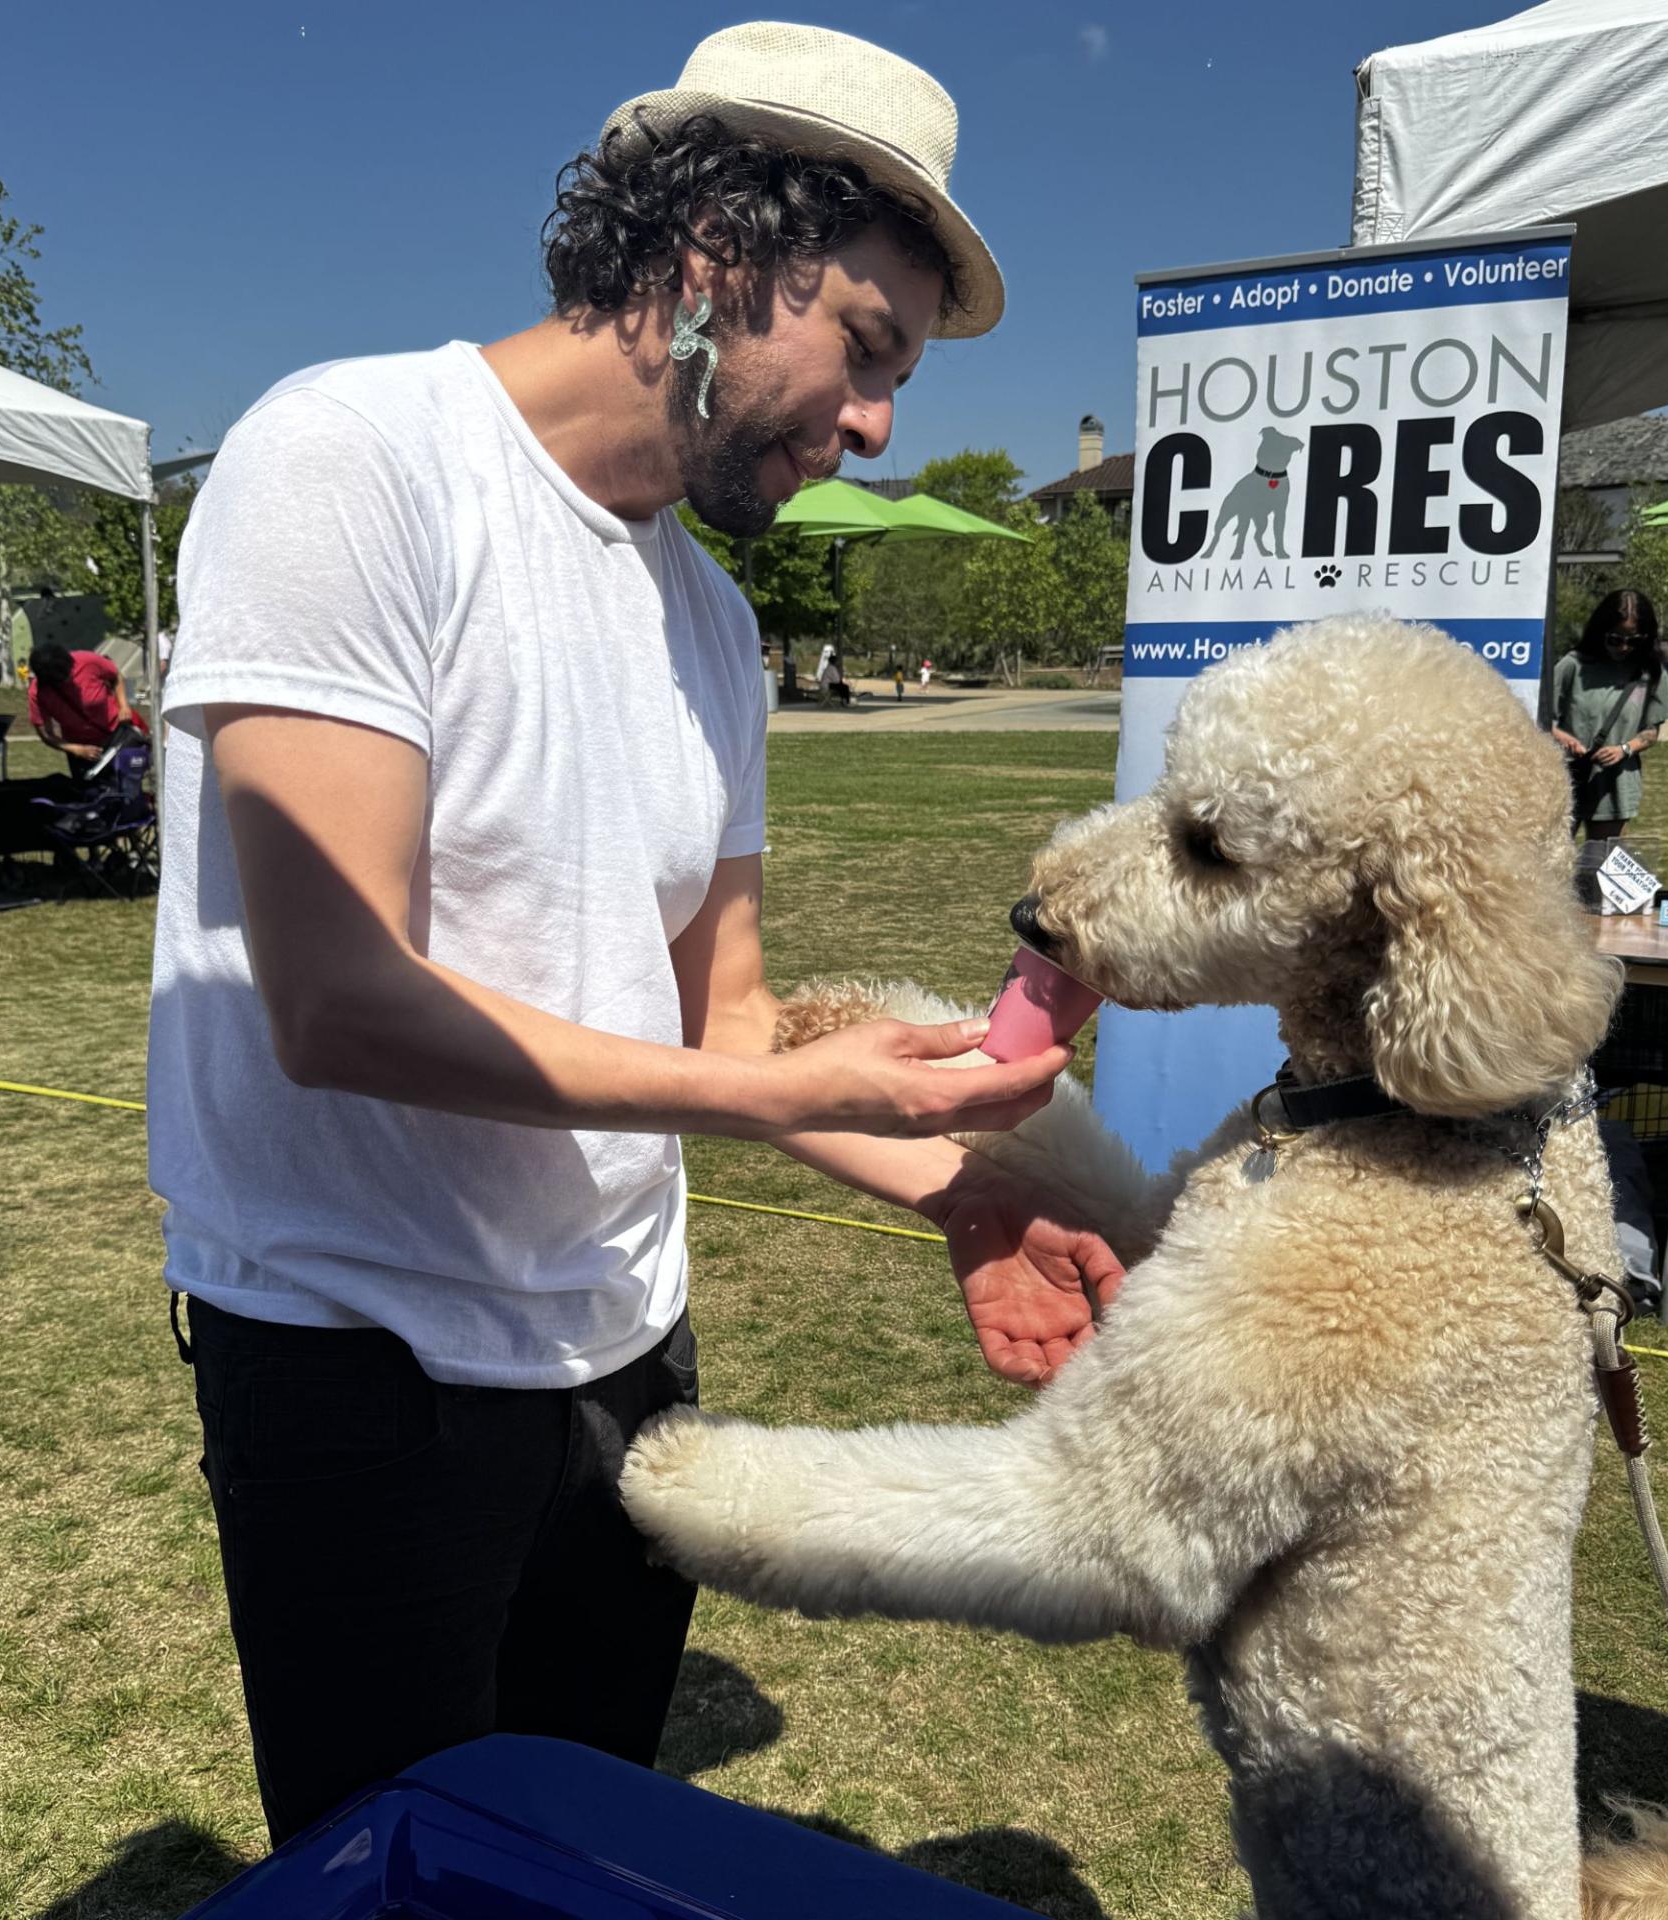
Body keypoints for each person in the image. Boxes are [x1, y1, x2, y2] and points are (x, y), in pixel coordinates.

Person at [146, 21, 1122, 1851]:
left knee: (579, 1854)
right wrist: (778, 1098)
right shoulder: (354, 459)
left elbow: (727, 1022)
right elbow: (341, 1003)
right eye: (868, 349)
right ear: (714, 255)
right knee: (402, 1874)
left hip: (626, 1357)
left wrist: (957, 1194)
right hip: (365, 1372)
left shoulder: (711, 623)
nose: (878, 425)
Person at [1551, 588, 1668, 838]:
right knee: (1552, 856)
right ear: (1600, 632)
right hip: (1565, 778)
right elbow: (1541, 719)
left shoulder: (1651, 673)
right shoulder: (1573, 665)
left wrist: (1624, 749)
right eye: (1615, 639)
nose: (1624, 647)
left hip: (1614, 784)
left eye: (1634, 640)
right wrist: (1564, 739)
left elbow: (1651, 732)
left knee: (1605, 858)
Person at [26, 638, 145, 777]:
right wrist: (75, 749)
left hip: (118, 734)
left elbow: (116, 675)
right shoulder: (37, 693)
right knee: (92, 788)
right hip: (83, 750)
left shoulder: (87, 661)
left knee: (130, 779)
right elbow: (46, 734)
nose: (67, 680)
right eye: (60, 679)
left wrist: (124, 705)